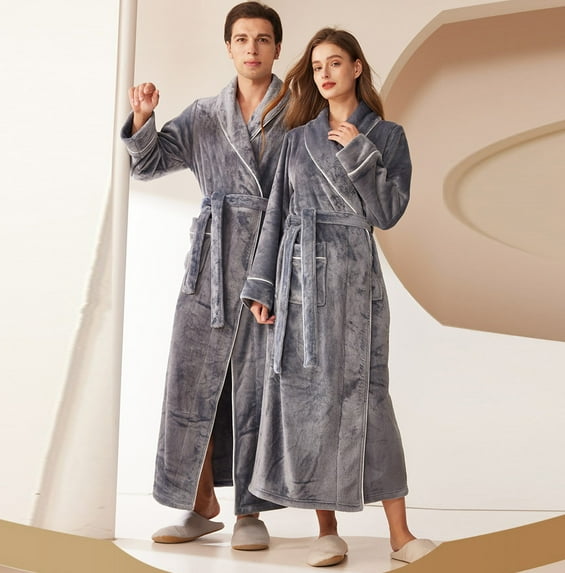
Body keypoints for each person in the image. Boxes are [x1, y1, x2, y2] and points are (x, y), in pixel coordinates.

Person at [241, 28, 437, 566]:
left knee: (369, 397)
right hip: (299, 283)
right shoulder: (296, 139)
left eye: (334, 63)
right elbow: (276, 213)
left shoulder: (387, 137)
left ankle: (400, 535)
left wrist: (357, 153)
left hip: (355, 283)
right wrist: (262, 285)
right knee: (309, 401)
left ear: (356, 68)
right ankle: (326, 529)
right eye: (316, 66)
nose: (324, 73)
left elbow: (388, 213)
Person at [121, 2, 288, 551]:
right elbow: (148, 165)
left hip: (272, 266)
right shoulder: (205, 114)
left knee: (257, 389)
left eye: (262, 39)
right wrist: (143, 118)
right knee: (193, 382)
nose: (252, 48)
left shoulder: (299, 114)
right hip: (210, 268)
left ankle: (251, 512)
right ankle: (200, 504)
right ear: (229, 47)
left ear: (277, 48)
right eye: (242, 39)